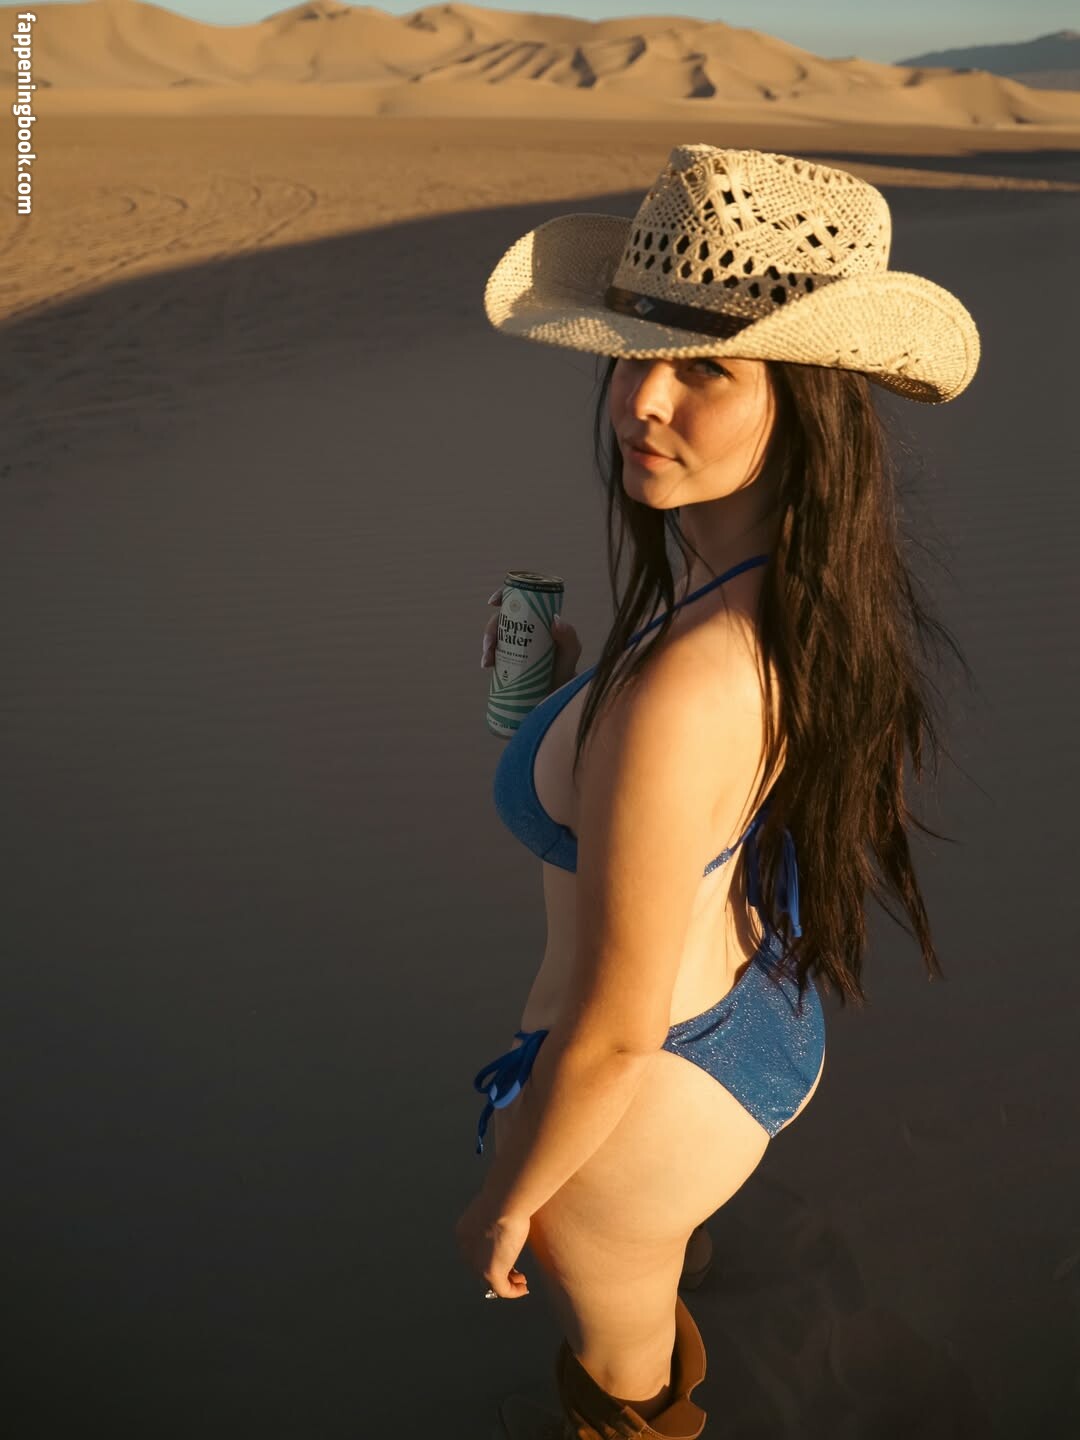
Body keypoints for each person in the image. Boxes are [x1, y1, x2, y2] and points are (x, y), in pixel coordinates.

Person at [455, 144, 980, 1440]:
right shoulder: (788, 599)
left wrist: (513, 1200)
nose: (643, 400)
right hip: (755, 1018)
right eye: (636, 352)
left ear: (807, 403)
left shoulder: (689, 683)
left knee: (621, 1386)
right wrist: (569, 709)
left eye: (707, 371)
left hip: (631, 1113)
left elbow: (614, 1029)